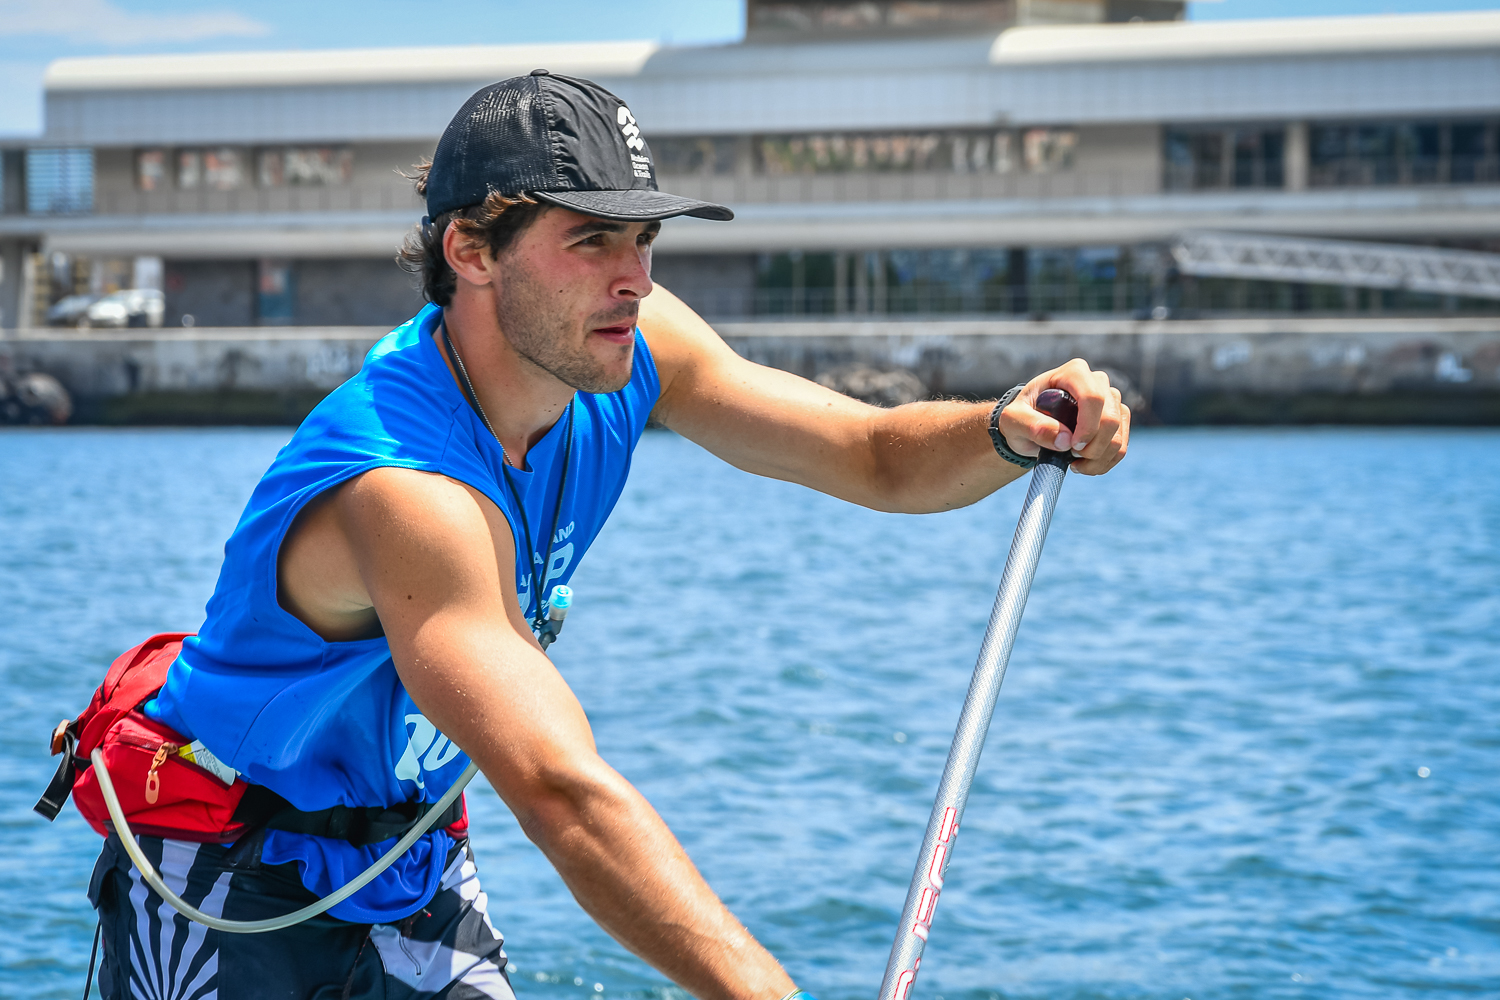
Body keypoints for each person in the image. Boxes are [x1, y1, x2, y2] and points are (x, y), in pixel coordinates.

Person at [90, 71, 1129, 1000]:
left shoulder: (630, 345)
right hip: (225, 876)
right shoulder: (406, 488)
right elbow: (561, 792)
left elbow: (869, 454)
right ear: (470, 251)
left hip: (408, 855)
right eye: (591, 239)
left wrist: (1006, 428)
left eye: (644, 239)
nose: (634, 277)